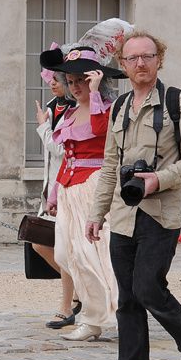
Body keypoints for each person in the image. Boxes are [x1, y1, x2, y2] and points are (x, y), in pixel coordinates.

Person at [86, 31, 181, 360]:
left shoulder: (178, 102)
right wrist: (97, 213)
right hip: (124, 214)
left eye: (148, 56)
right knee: (127, 298)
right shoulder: (120, 106)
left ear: (160, 59)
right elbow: (110, 165)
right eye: (133, 58)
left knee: (148, 287)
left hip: (161, 212)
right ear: (123, 64)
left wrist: (158, 180)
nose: (141, 63)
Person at [40, 44, 123, 342]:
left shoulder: (108, 109)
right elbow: (65, 157)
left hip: (94, 188)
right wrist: (54, 195)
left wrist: (98, 92)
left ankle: (104, 317)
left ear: (95, 79)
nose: (75, 87)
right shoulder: (71, 114)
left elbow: (102, 132)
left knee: (96, 255)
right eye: (71, 82)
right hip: (69, 190)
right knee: (67, 255)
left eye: (82, 81)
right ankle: (93, 313)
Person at [32, 68, 80, 329]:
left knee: (65, 249)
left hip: (68, 187)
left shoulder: (76, 111)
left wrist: (42, 127)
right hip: (50, 189)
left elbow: (63, 150)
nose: (51, 83)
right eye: (50, 79)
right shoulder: (53, 108)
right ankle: (80, 292)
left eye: (58, 80)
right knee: (39, 244)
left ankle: (67, 306)